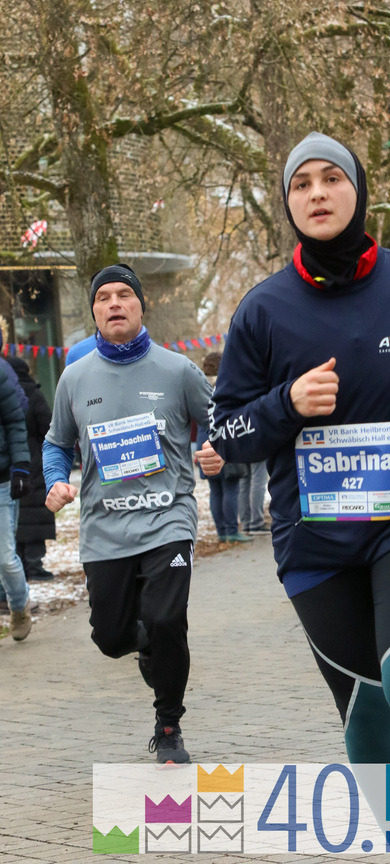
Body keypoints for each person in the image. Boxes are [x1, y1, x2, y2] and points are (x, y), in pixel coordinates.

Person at [208, 133, 390, 864]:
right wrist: (285, 403)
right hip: (315, 541)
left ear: (357, 190)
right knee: (366, 706)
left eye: (330, 178)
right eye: (300, 183)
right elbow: (227, 433)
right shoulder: (262, 310)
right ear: (288, 202)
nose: (316, 193)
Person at [43, 263, 223, 763]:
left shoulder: (177, 370)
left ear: (141, 306)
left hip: (168, 518)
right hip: (104, 527)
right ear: (95, 312)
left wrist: (216, 450)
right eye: (104, 297)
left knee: (167, 619)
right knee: (110, 637)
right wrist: (55, 479)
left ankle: (168, 727)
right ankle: (148, 646)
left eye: (124, 294)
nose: (115, 303)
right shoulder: (75, 378)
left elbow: (219, 422)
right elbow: (56, 442)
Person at [7, 356, 56, 580]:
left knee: (16, 518)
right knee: (36, 516)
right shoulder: (35, 395)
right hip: (35, 463)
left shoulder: (6, 391)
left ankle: (19, 564)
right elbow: (48, 428)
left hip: (11, 463)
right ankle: (35, 564)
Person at [197, 352, 252, 544]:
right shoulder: (227, 383)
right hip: (224, 437)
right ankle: (231, 530)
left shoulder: (198, 385)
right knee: (230, 487)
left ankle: (221, 532)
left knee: (215, 489)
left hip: (203, 439)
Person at [0, 360, 32, 640]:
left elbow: (14, 421)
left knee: (5, 558)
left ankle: (19, 607)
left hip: (1, 480)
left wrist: (21, 466)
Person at [239, 460, 269, 533]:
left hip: (240, 453)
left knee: (244, 480)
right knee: (258, 480)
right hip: (258, 453)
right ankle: (256, 523)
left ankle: (246, 523)